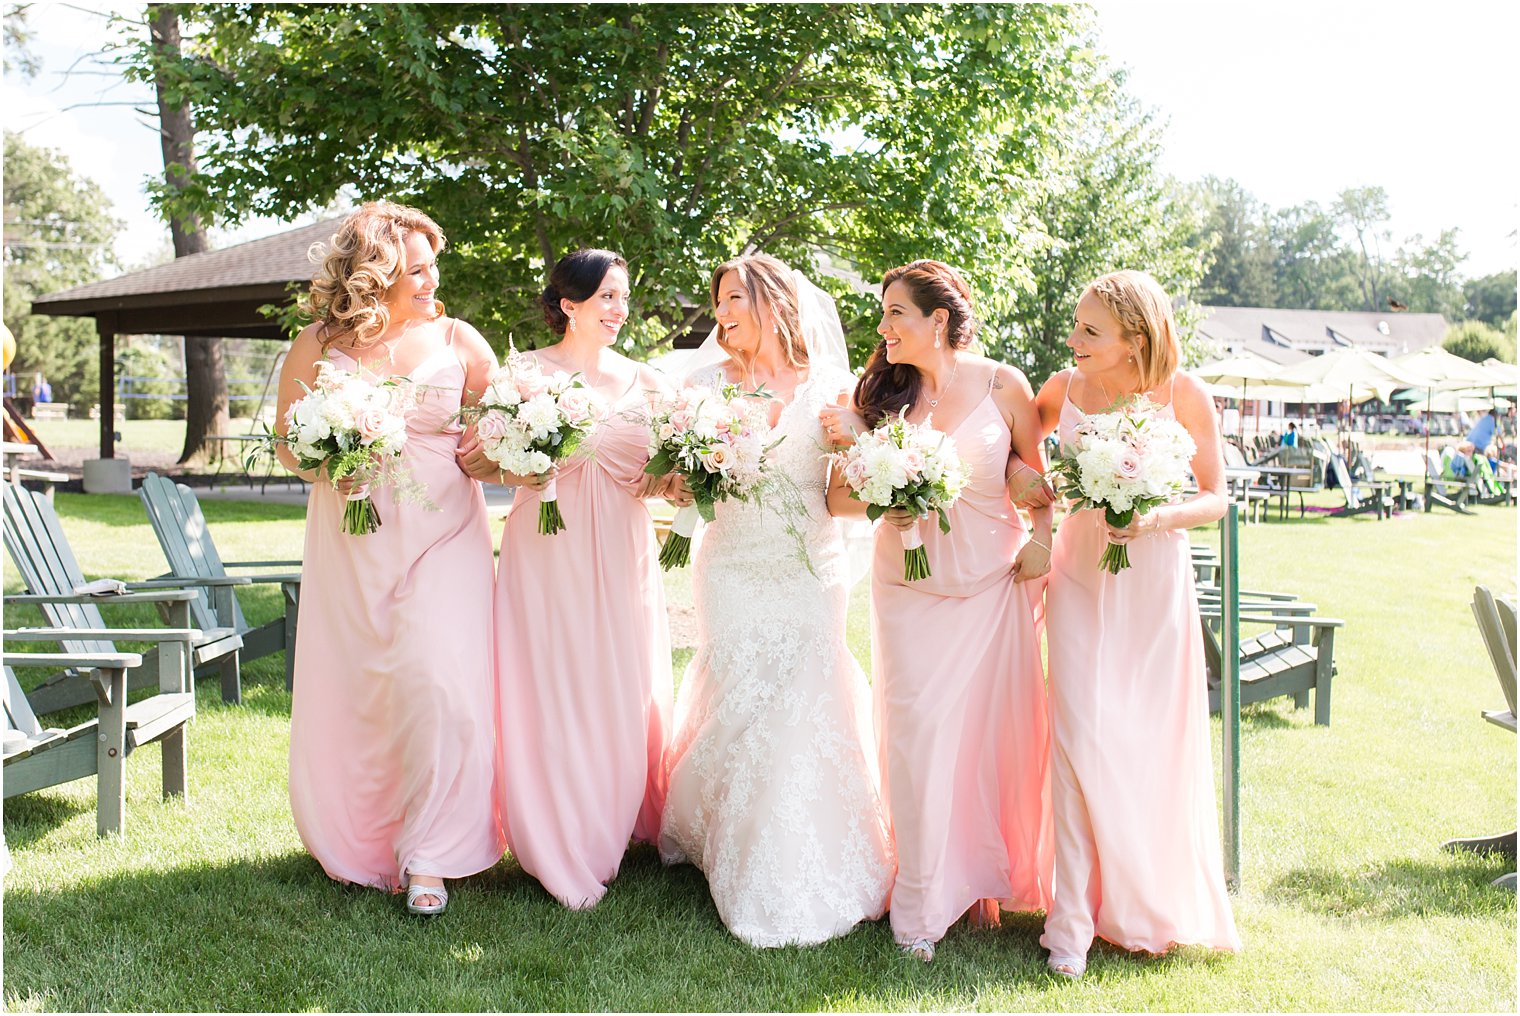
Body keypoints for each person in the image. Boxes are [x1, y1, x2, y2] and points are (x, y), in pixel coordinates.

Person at [658, 252, 895, 948]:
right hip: (729, 565)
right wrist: (682, 479)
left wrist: (856, 449)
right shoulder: (702, 387)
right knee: (737, 691)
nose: (723, 314)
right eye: (719, 301)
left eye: (735, 298)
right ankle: (720, 835)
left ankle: (790, 853)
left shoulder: (832, 388)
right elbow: (674, 484)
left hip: (808, 568)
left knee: (801, 698)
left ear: (775, 302)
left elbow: (844, 500)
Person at [821, 259, 1054, 963]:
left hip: (992, 588)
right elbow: (837, 500)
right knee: (917, 740)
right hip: (909, 592)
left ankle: (976, 886)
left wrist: (1044, 541)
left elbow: (1037, 480)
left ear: (939, 322)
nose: (884, 327)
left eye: (897, 313)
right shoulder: (878, 398)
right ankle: (920, 905)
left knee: (986, 741)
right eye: (883, 313)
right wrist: (882, 477)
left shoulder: (1003, 384)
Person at [276, 201, 504, 915]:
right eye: (417, 268)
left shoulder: (460, 340)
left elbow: (501, 435)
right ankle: (367, 840)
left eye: (435, 265)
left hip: (446, 539)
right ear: (375, 273)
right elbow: (289, 442)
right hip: (354, 538)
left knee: (439, 684)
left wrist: (491, 449)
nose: (433, 279)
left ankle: (431, 852)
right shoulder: (319, 341)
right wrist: (322, 462)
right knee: (367, 690)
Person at [1030, 270, 1240, 978]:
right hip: (1079, 576)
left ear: (1135, 341)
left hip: (1152, 582)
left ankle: (1141, 898)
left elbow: (1216, 497)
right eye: (1078, 326)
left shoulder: (1185, 395)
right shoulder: (1063, 390)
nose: (1074, 340)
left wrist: (1155, 517)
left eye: (1090, 330)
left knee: (1144, 739)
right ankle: (1071, 920)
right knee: (1078, 737)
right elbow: (1013, 457)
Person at [457, 249, 673, 909]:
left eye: (624, 297)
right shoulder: (525, 372)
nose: (618, 310)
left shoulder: (649, 382)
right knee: (550, 679)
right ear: (569, 302)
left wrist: (665, 478)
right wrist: (521, 467)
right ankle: (557, 835)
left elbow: (679, 472)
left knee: (619, 680)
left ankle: (609, 820)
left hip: (624, 546)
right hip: (548, 547)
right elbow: (472, 458)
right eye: (606, 296)